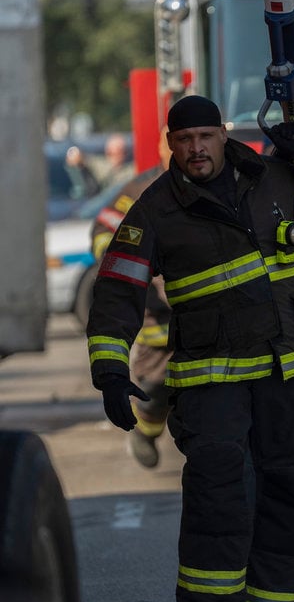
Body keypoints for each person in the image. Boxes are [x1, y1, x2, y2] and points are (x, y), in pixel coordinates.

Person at [86, 95, 294, 602]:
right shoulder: (156, 209)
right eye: (184, 141)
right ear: (172, 145)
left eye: (205, 137)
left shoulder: (278, 180)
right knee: (218, 489)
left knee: (289, 489)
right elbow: (117, 288)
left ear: (222, 136)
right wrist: (111, 370)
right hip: (212, 376)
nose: (196, 150)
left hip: (293, 368)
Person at [90, 126, 172, 469]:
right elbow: (103, 232)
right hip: (160, 318)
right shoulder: (139, 190)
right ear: (160, 147)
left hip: (211, 316)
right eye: (174, 141)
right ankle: (146, 429)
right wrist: (128, 275)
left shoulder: (219, 185)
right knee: (155, 390)